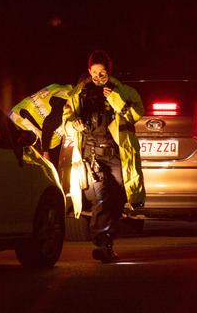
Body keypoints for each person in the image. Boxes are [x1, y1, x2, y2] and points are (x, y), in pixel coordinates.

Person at [63, 50, 146, 263]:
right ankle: (102, 240)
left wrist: (115, 99)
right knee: (102, 196)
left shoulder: (124, 91)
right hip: (92, 153)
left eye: (103, 72)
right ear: (89, 71)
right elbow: (66, 119)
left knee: (118, 197)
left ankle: (107, 240)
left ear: (109, 71)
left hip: (116, 153)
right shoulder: (78, 93)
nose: (98, 77)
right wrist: (74, 123)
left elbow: (135, 115)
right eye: (95, 72)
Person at [8, 83, 72, 166]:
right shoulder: (68, 98)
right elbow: (49, 124)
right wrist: (45, 152)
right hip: (23, 129)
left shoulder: (62, 89)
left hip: (17, 121)